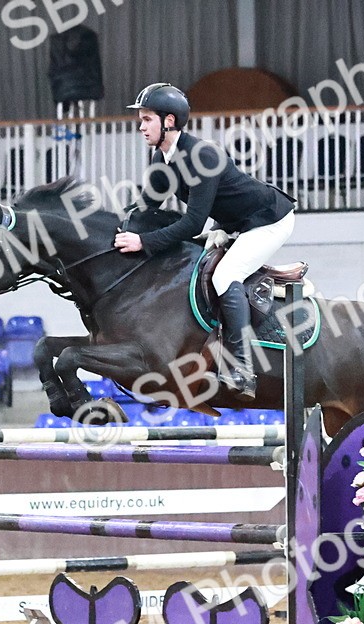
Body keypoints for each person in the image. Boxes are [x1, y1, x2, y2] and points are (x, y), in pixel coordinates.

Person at [113, 82, 295, 399]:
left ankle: (241, 368)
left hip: (269, 220)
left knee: (226, 275)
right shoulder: (162, 160)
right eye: (140, 120)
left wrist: (144, 243)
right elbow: (145, 210)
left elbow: (192, 223)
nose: (140, 127)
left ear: (169, 121)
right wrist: (113, 231)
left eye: (146, 119)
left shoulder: (202, 156)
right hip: (233, 223)